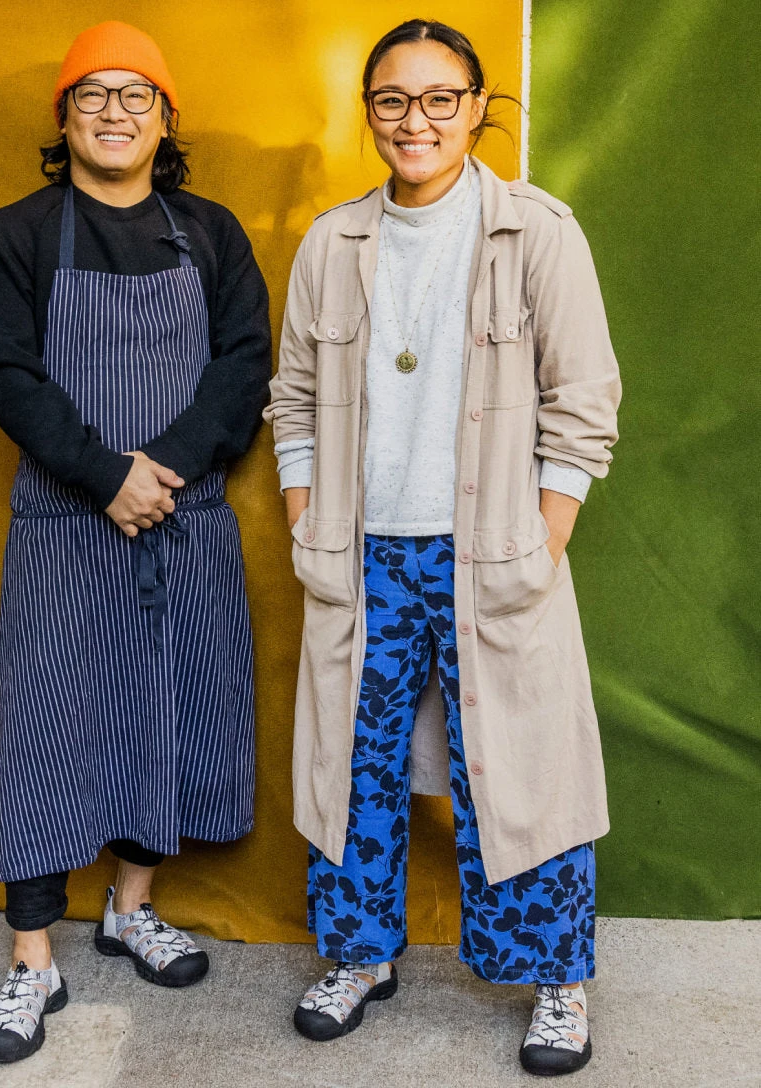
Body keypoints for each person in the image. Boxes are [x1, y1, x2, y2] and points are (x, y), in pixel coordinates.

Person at [265, 18, 620, 1077]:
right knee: (350, 767)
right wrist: (305, 516)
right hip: (359, 554)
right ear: (369, 112)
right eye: (392, 99)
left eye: (437, 99)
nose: (413, 120)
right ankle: (358, 955)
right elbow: (293, 399)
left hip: (492, 551)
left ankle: (557, 981)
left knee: (523, 765)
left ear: (475, 108)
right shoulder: (332, 243)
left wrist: (540, 540)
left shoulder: (536, 232)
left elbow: (584, 400)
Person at [0, 21, 271, 1064]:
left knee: (167, 711)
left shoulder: (212, 234)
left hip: (184, 517)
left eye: (136, 94)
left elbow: (244, 362)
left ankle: (130, 906)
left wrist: (162, 469)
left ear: (165, 119)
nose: (113, 111)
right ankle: (31, 959)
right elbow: (7, 373)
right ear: (63, 119)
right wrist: (105, 476)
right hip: (65, 523)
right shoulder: (14, 235)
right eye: (90, 94)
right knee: (47, 727)